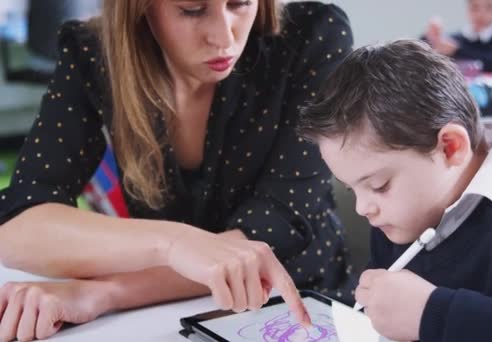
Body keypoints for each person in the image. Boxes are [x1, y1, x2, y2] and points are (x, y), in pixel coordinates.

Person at [0, 0, 355, 340]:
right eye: (192, 10)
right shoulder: (94, 52)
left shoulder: (313, 35)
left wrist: (103, 293)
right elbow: (17, 222)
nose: (224, 37)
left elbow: (275, 229)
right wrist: (173, 243)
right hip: (160, 316)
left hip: (302, 308)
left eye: (240, 3)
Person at [297, 39, 492, 342]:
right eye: (353, 190)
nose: (363, 208)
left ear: (450, 147)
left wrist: (433, 313)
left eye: (379, 185)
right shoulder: (396, 214)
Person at [424, 0, 492, 73]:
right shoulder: (460, 36)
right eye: (475, 7)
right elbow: (426, 45)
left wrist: (457, 50)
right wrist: (432, 37)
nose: (480, 14)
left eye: (489, 7)